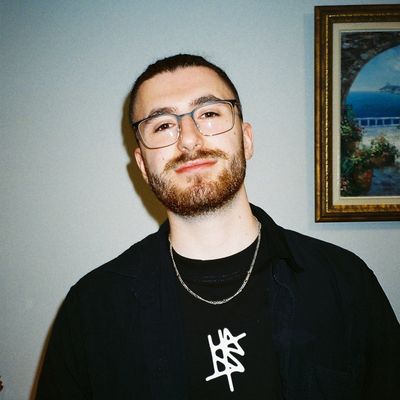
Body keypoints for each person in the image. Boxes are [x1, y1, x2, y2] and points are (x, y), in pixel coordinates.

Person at [36, 54, 399, 400]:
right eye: (163, 125)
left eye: (209, 113)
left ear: (246, 139)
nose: (189, 138)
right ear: (143, 165)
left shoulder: (345, 282)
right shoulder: (92, 311)